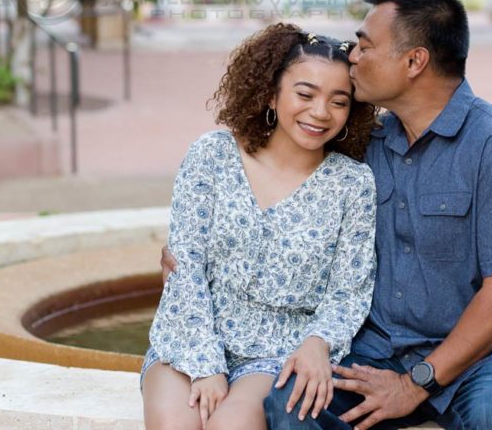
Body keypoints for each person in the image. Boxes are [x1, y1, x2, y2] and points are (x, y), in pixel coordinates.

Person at [164, 0, 492, 430]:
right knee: (290, 401)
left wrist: (413, 385)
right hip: (375, 350)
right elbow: (284, 200)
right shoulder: (363, 143)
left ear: (413, 61)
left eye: (365, 45)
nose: (353, 56)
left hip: (486, 357)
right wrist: (191, 256)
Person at [143, 23, 379, 430]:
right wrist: (206, 365)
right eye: (305, 94)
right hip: (189, 336)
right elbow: (185, 267)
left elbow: (349, 291)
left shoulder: (352, 184)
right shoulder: (212, 155)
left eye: (338, 102)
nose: (320, 112)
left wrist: (317, 343)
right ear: (272, 93)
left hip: (277, 352)